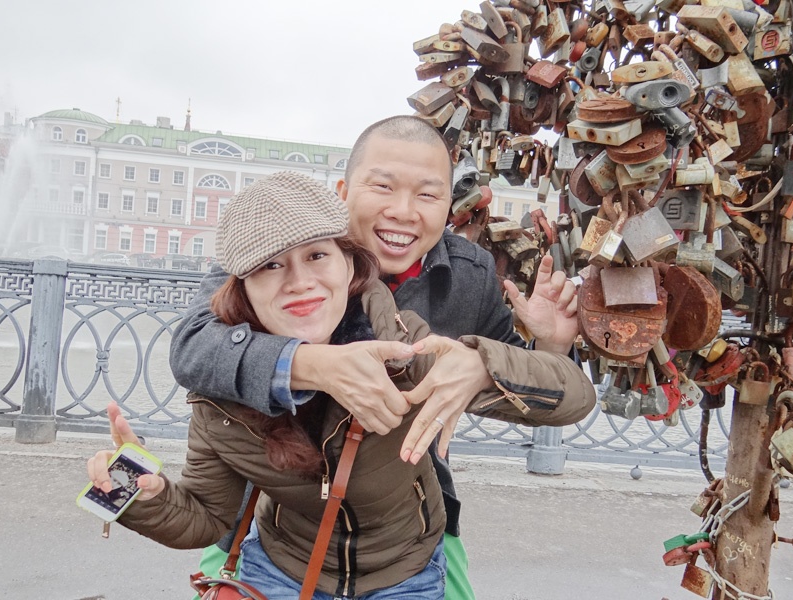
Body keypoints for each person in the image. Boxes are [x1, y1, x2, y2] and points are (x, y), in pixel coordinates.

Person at [87, 171, 596, 599]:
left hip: (405, 572)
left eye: (317, 256)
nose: (299, 282)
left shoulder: (404, 348)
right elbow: (206, 517)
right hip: (282, 568)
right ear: (243, 288)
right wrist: (141, 493)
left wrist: (484, 365)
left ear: (348, 263)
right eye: (270, 265)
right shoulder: (225, 387)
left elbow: (574, 398)